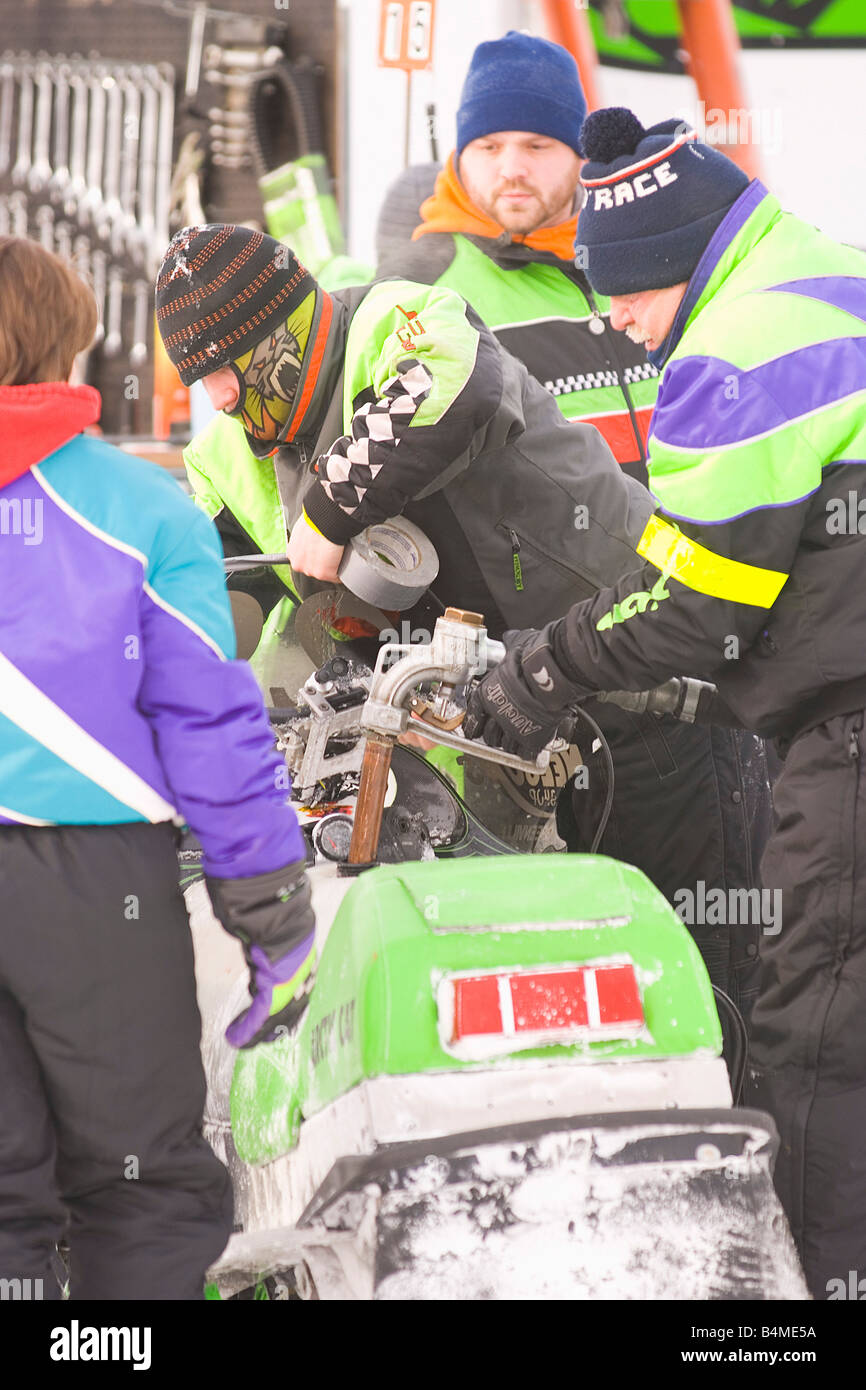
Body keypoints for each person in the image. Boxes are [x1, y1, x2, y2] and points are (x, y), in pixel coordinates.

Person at [464, 104, 866, 1298]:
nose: (618, 324)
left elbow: (699, 599)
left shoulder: (731, 347)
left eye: (622, 295)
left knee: (814, 1031)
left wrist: (544, 669)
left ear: (665, 266)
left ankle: (795, 1304)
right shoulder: (829, 272)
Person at [375, 30, 771, 1007]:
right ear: (456, 160)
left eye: (538, 147)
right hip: (551, 695)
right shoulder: (430, 298)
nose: (512, 167)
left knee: (735, 948)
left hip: (703, 664)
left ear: (579, 161)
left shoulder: (642, 266)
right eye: (490, 146)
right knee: (590, 968)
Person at [0, 237, 316, 1301]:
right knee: (138, 1187)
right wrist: (271, 912)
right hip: (93, 894)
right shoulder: (146, 514)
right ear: (67, 344)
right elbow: (211, 729)